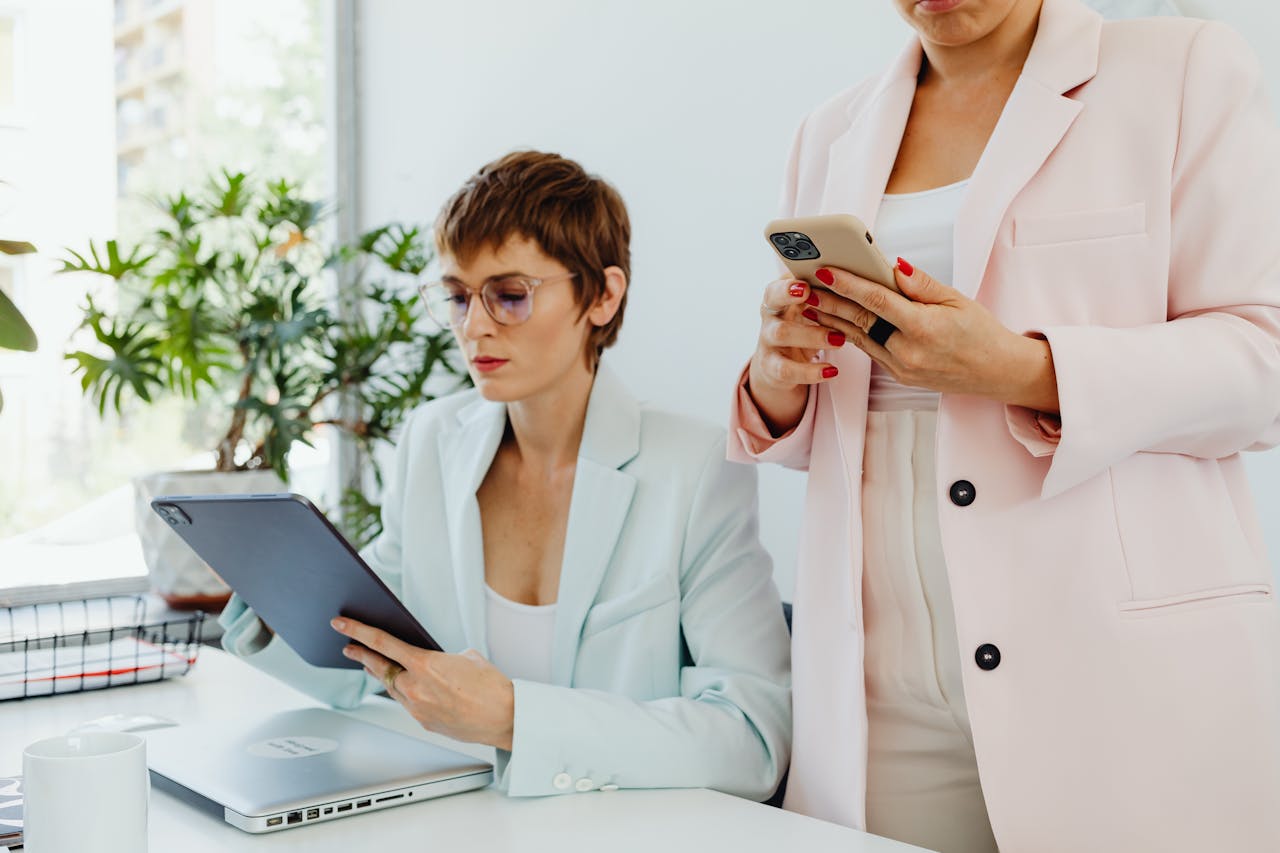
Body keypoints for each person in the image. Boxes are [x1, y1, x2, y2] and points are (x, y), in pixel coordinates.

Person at [731, 0, 1280, 850]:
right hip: (878, 685)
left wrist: (1022, 368)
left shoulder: (1180, 69)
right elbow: (841, 418)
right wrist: (776, 375)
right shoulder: (829, 130)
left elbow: (1264, 359)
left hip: (1107, 663)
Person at [222, 150, 791, 799]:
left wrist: (516, 717)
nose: (475, 327)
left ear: (603, 295)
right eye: (458, 297)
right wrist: (265, 586)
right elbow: (371, 666)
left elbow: (752, 738)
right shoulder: (432, 441)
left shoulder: (691, 466)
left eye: (510, 296)